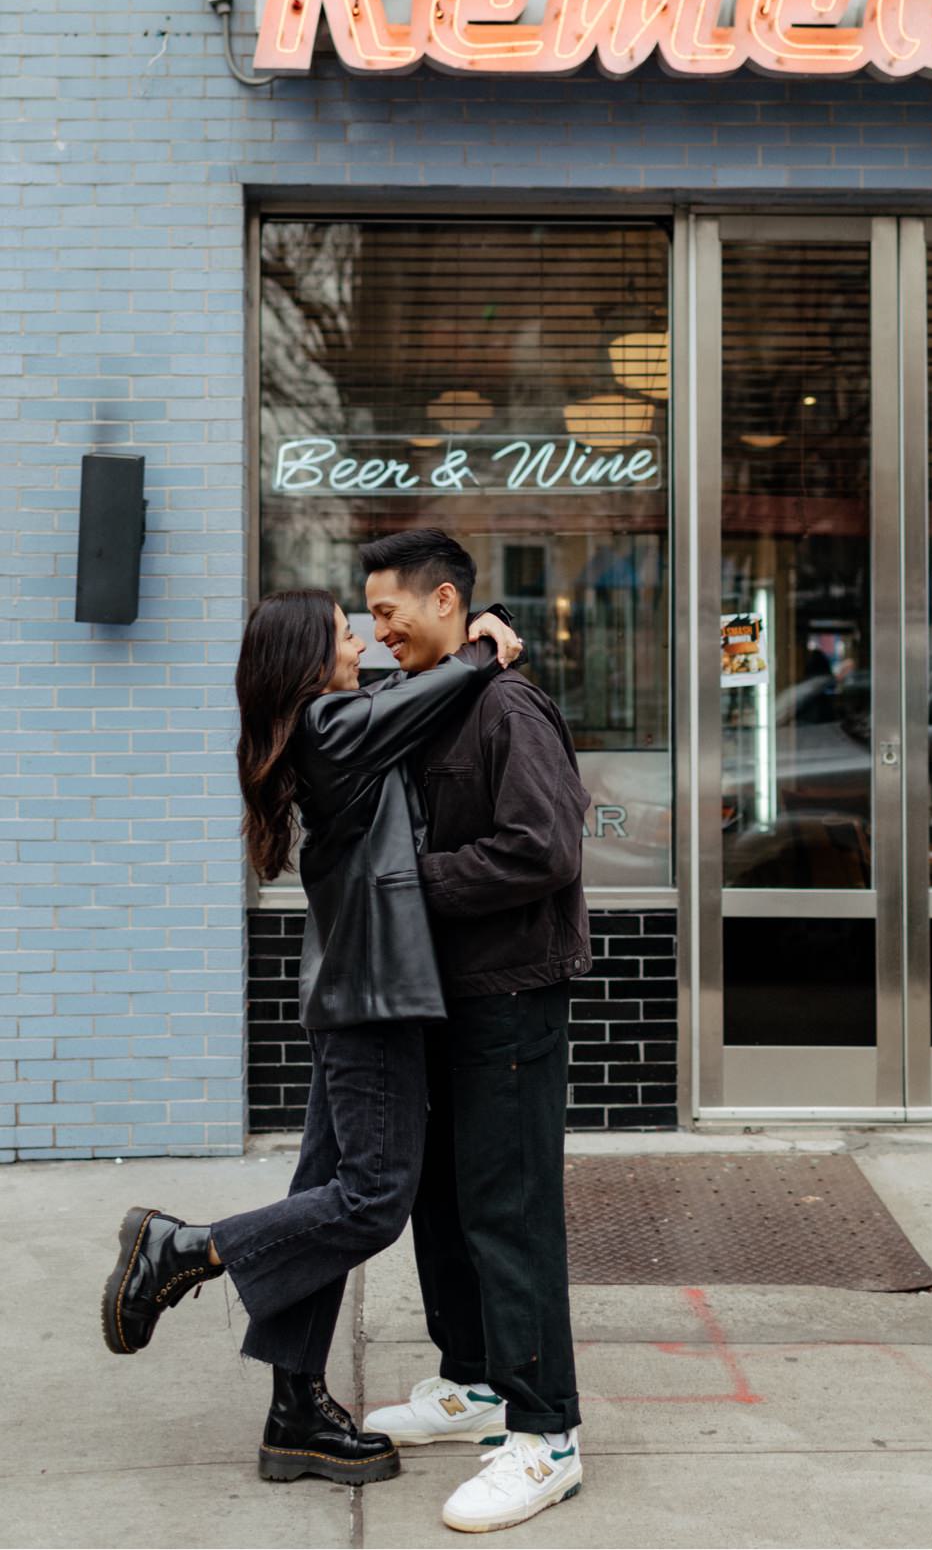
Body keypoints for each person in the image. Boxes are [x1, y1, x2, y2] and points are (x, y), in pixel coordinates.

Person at [101, 588, 520, 1489]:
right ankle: (183, 1249)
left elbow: (413, 700)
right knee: (372, 1198)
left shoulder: (326, 728)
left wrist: (473, 623)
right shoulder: (331, 725)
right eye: (344, 632)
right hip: (372, 1002)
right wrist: (483, 645)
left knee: (323, 1203)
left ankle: (295, 1412)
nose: (362, 642)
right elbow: (423, 695)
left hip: (357, 994)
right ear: (306, 660)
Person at [348, 530, 596, 1536]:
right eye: (366, 616)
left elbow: (545, 845)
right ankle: (476, 1386)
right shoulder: (450, 683)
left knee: (509, 1211)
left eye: (388, 610)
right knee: (444, 1201)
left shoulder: (504, 705)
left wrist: (413, 887)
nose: (375, 630)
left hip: (508, 998)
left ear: (443, 599)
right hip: (445, 996)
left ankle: (547, 1438)